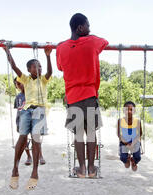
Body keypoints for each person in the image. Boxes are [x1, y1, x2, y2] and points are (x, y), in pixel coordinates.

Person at [56, 13, 109, 178]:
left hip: (73, 98)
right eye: (88, 25)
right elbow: (105, 41)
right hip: (90, 95)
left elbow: (59, 67)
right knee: (91, 133)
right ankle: (92, 169)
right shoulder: (92, 42)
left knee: (79, 134)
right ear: (80, 27)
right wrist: (89, 36)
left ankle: (82, 169)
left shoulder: (61, 48)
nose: (90, 28)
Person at [2, 42, 52, 190]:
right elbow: (14, 66)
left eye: (40, 66)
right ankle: (15, 169)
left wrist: (48, 57)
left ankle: (35, 171)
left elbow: (50, 71)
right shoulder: (25, 79)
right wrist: (7, 51)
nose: (39, 68)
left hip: (39, 110)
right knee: (22, 137)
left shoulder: (43, 79)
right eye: (36, 66)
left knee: (36, 138)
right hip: (26, 110)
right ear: (29, 70)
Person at [13, 78, 46, 166]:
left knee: (36, 138)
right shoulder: (18, 97)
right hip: (23, 121)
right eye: (18, 84)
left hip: (34, 119)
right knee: (24, 139)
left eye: (22, 83)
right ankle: (28, 156)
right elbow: (18, 111)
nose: (20, 85)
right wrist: (18, 123)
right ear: (16, 86)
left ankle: (40, 156)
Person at [117, 101, 142, 171]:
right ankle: (127, 159)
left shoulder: (137, 121)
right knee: (122, 157)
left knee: (138, 157)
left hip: (135, 141)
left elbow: (140, 133)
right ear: (123, 110)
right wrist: (125, 142)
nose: (129, 111)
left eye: (131, 110)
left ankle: (134, 161)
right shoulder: (120, 121)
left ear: (134, 111)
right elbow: (119, 134)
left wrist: (133, 143)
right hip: (124, 141)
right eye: (127, 109)